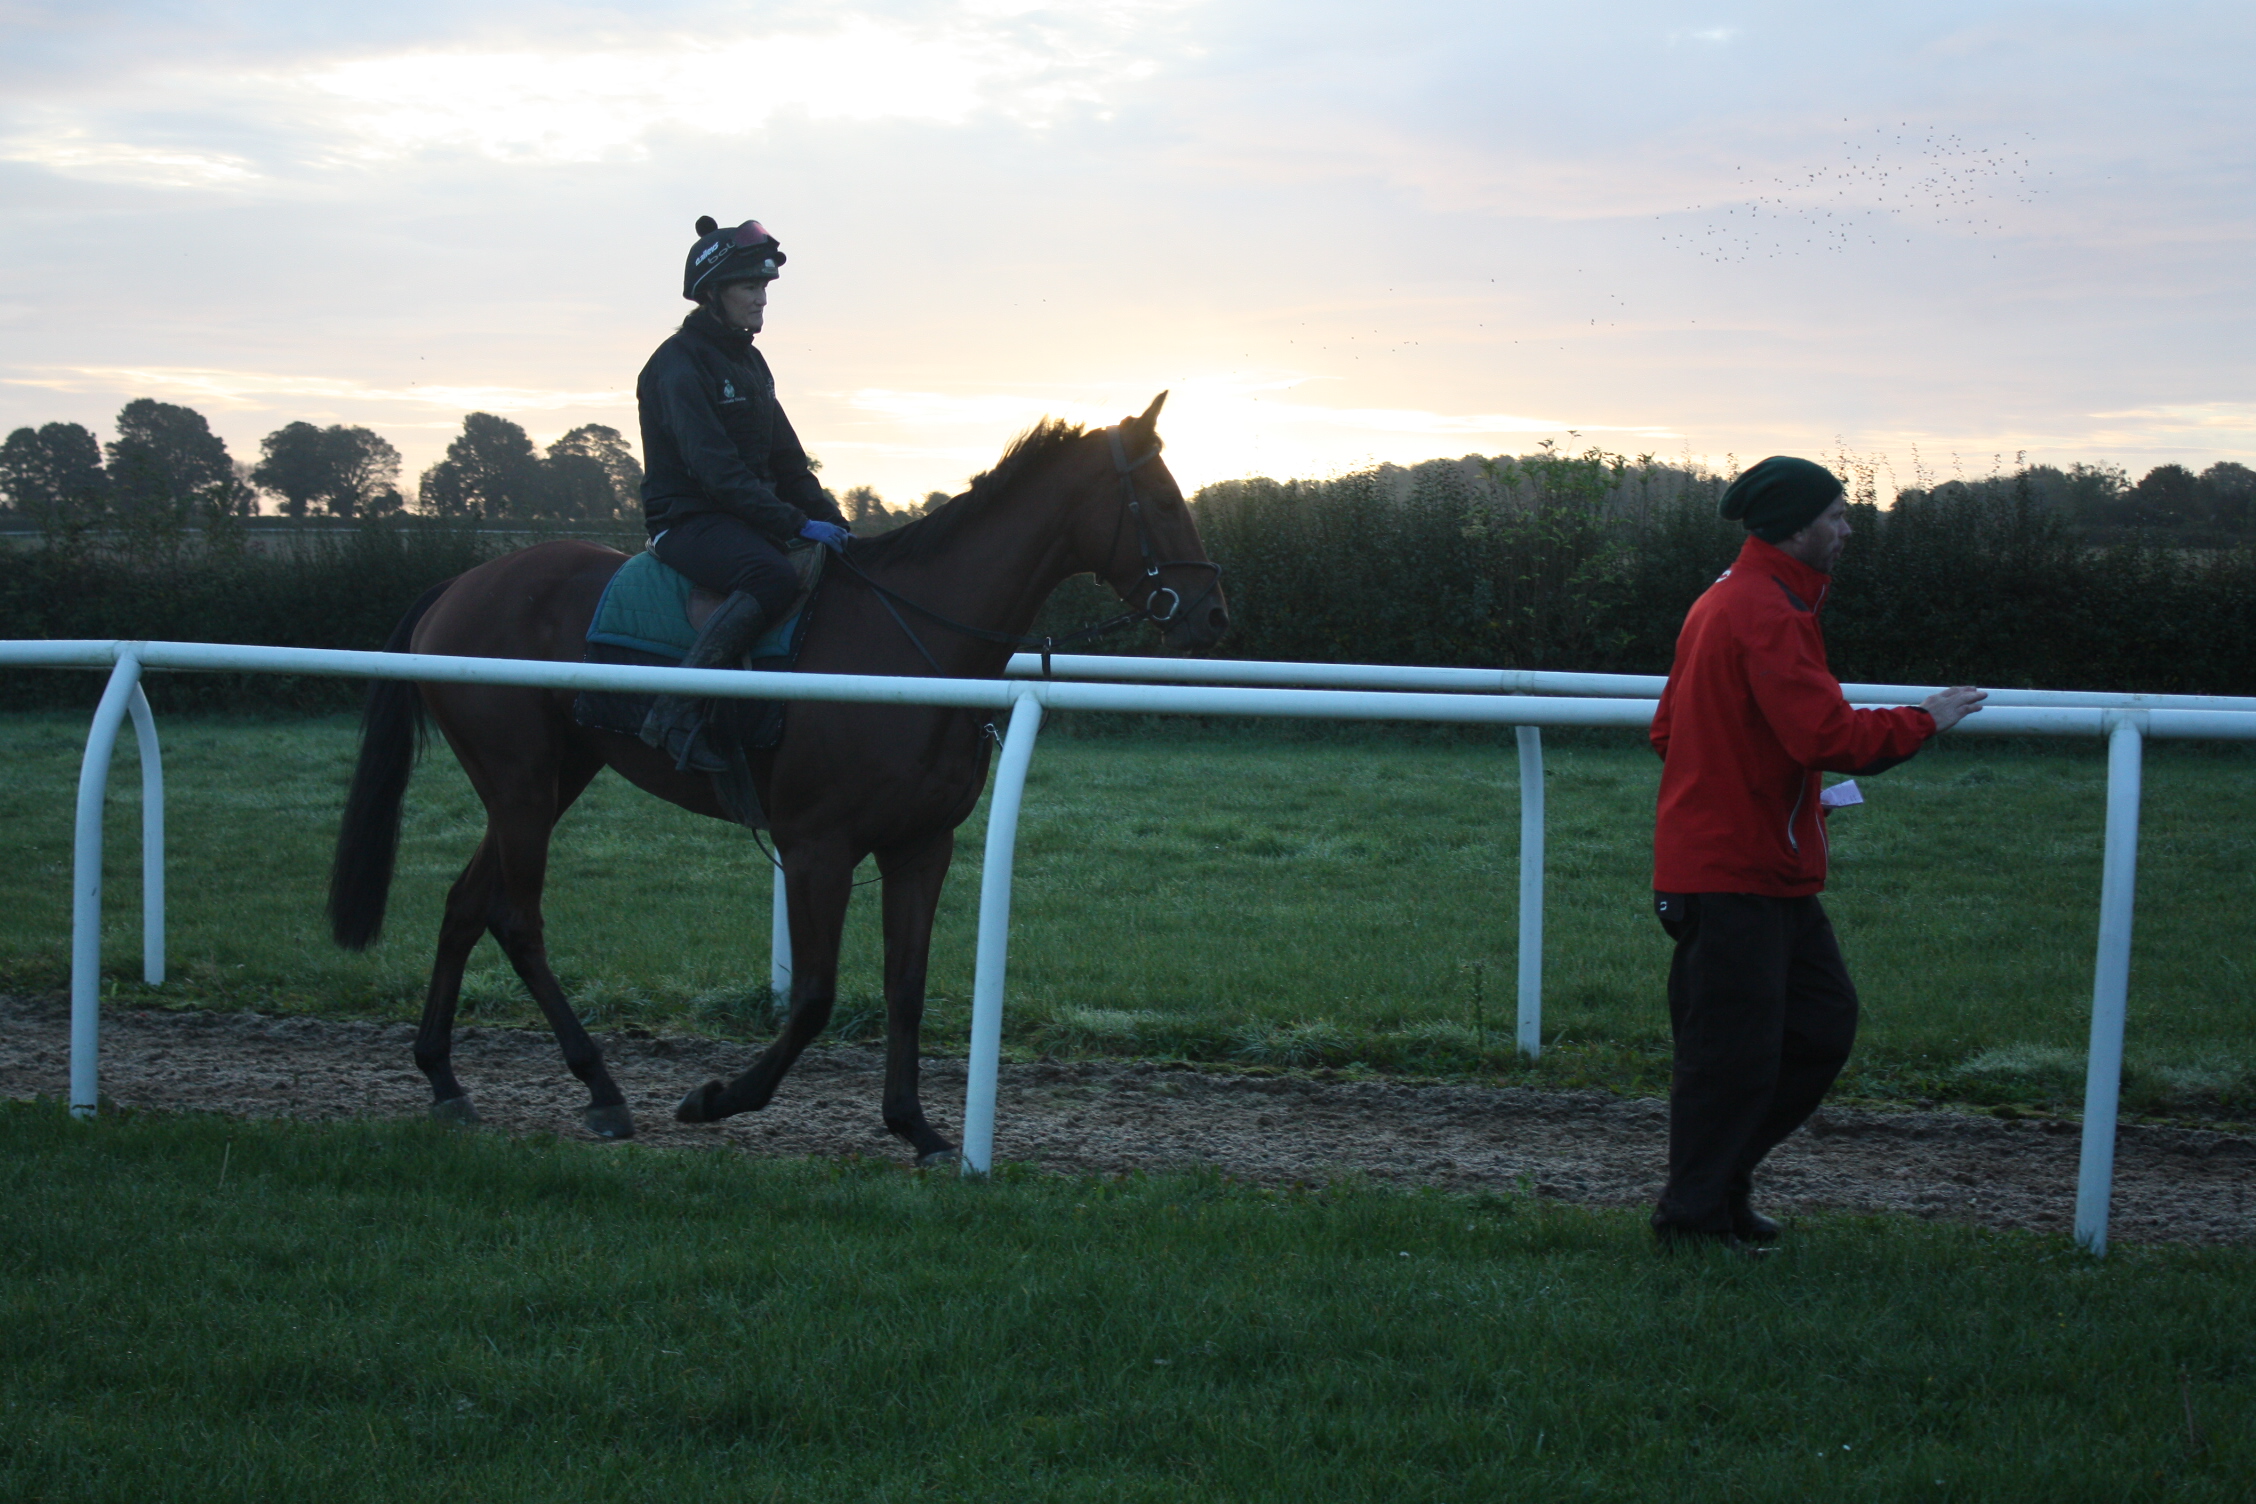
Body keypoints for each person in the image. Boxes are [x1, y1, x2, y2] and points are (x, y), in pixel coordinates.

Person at [1648, 456, 1986, 1252]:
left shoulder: (1729, 600)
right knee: (1732, 1060)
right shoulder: (1763, 609)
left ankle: (1716, 1185)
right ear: (1796, 525)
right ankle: (1692, 1219)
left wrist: (1775, 789)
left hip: (1762, 869)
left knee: (1819, 1029)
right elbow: (1827, 736)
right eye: (1836, 514)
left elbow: (1671, 731)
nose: (1848, 527)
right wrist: (1926, 718)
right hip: (1735, 874)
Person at [634, 215, 852, 772]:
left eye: (764, 288)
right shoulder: (676, 364)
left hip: (740, 519)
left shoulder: (749, 361)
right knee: (772, 576)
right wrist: (793, 525)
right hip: (686, 521)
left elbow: (788, 462)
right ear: (714, 294)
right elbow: (717, 473)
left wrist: (834, 521)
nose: (761, 300)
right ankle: (675, 712)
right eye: (749, 288)